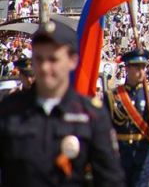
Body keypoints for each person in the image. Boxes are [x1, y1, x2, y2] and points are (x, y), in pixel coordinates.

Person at [0, 19, 124, 185]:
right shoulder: (10, 111)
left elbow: (110, 179)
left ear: (72, 60)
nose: (45, 67)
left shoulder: (90, 115)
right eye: (39, 59)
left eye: (53, 59)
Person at [105, 48, 149, 187]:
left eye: (143, 67)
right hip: (120, 152)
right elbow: (105, 125)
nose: (141, 71)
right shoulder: (113, 96)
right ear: (127, 68)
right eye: (137, 67)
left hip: (142, 150)